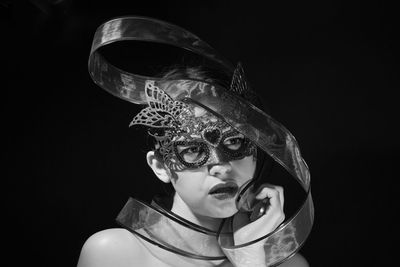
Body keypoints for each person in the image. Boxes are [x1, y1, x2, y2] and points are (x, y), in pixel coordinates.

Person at [78, 16, 313, 267]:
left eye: (234, 142)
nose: (221, 167)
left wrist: (251, 261)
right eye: (193, 149)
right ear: (160, 166)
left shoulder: (290, 265)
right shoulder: (114, 254)